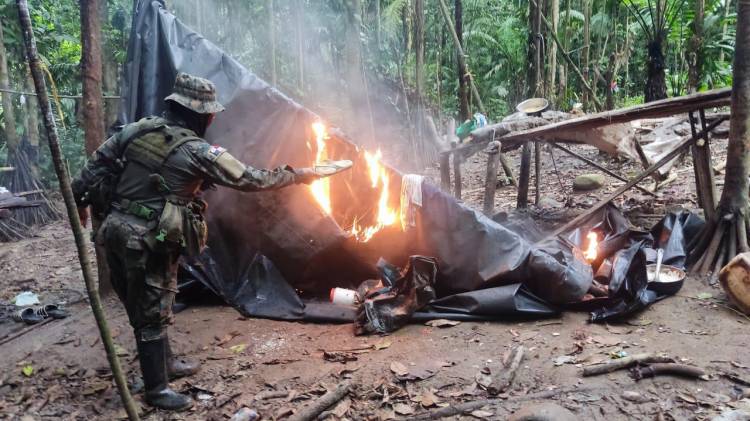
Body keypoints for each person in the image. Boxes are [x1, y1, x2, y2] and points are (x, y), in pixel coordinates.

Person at [72, 73, 321, 411]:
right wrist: (302, 174)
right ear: (202, 115)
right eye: (211, 115)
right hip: (146, 239)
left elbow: (96, 164)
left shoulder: (139, 129)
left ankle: (165, 366)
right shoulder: (197, 150)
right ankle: (157, 391)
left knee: (146, 305)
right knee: (151, 309)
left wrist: (79, 200)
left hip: (115, 231)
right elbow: (251, 178)